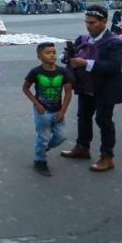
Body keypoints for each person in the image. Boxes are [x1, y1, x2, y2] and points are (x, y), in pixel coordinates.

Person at [60, 5, 122, 173]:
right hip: (85, 85)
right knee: (83, 116)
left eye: (92, 22)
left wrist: (86, 63)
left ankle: (107, 157)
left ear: (104, 22)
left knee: (104, 120)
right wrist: (66, 57)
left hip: (105, 88)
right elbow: (73, 58)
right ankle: (82, 147)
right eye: (86, 22)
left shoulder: (116, 43)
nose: (88, 26)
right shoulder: (82, 39)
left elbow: (114, 66)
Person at [23, 42, 73, 176]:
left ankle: (44, 148)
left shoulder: (63, 72)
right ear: (39, 56)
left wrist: (63, 111)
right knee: (43, 137)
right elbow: (25, 88)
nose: (52, 55)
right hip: (42, 111)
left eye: (54, 52)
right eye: (48, 53)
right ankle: (40, 161)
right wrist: (37, 103)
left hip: (57, 109)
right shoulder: (35, 72)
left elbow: (68, 92)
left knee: (62, 136)